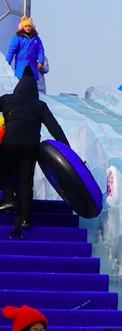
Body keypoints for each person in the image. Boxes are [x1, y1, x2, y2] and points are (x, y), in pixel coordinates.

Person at [0, 66, 70, 232]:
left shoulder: (7, 99)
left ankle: (9, 197)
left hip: (9, 143)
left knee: (2, 167)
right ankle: (25, 218)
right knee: (26, 181)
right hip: (30, 148)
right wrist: (67, 148)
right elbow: (54, 127)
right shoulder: (40, 105)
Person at [6, 18, 45, 90]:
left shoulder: (36, 38)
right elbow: (12, 50)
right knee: (21, 80)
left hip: (32, 63)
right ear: (23, 27)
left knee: (32, 80)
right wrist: (7, 62)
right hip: (22, 62)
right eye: (26, 26)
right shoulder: (18, 37)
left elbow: (40, 50)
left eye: (29, 26)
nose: (28, 28)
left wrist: (41, 61)